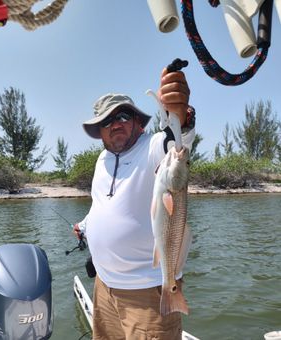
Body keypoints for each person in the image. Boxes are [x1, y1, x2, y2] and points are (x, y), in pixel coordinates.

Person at [73, 67, 195, 340]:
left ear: (138, 123)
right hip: (104, 288)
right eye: (106, 121)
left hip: (148, 294)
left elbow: (176, 143)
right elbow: (101, 204)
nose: (115, 124)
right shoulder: (101, 161)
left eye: (123, 116)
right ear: (99, 132)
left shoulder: (152, 147)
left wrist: (179, 115)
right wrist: (85, 225)